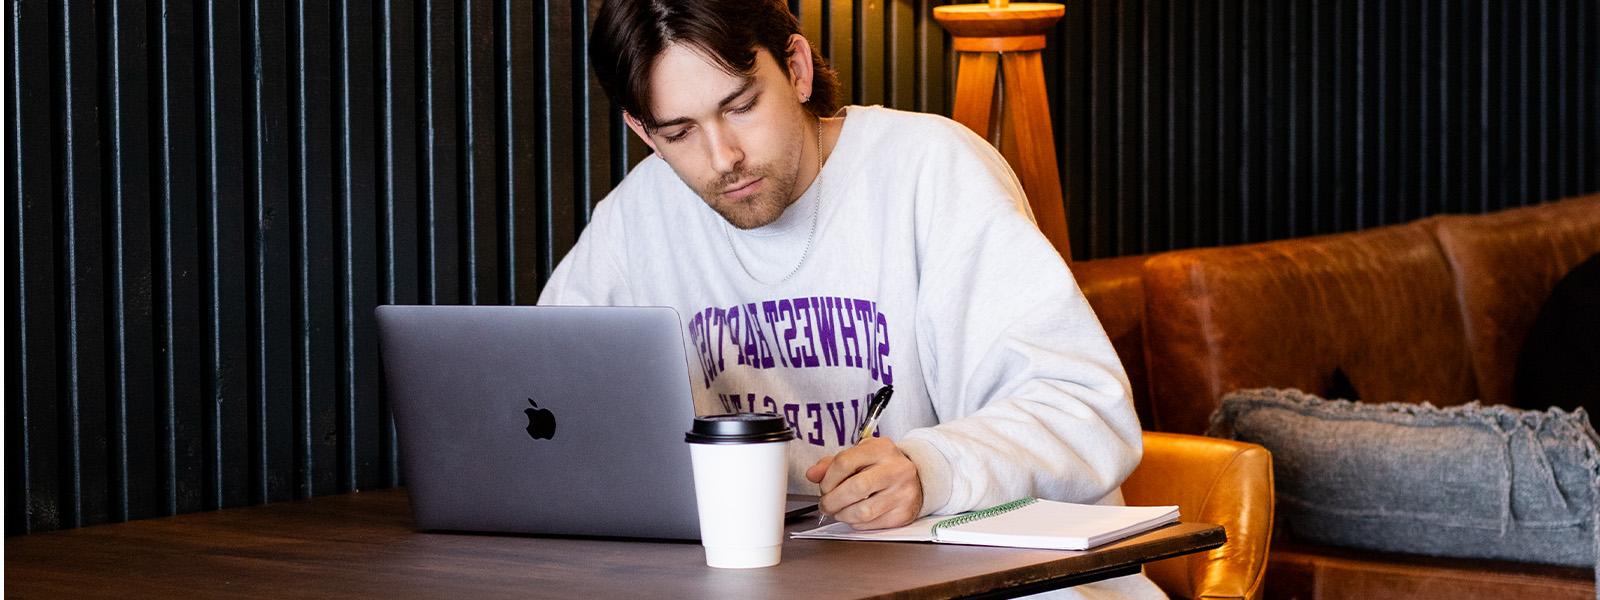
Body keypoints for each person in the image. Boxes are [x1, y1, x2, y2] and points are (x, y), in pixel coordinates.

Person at [541, 1, 1159, 596]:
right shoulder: (637, 217)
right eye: (679, 132)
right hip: (777, 580)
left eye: (742, 106)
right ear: (643, 132)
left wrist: (930, 467)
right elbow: (543, 403)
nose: (722, 157)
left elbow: (1087, 411)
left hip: (997, 573)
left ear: (798, 69)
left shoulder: (931, 169)